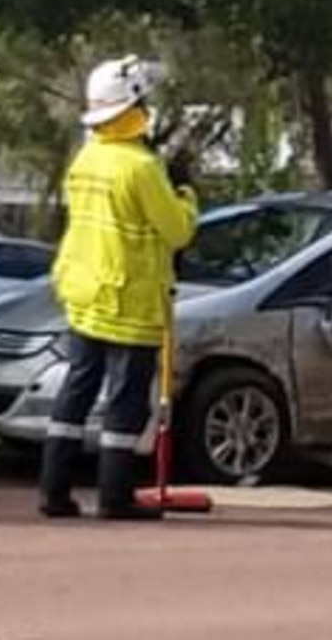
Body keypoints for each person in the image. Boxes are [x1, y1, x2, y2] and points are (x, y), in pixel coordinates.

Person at [38, 55, 199, 521]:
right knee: (125, 403)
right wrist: (186, 198)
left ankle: (54, 491)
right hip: (130, 299)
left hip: (86, 292)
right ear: (134, 106)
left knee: (76, 391)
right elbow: (177, 231)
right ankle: (115, 496)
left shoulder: (87, 159)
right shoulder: (142, 167)